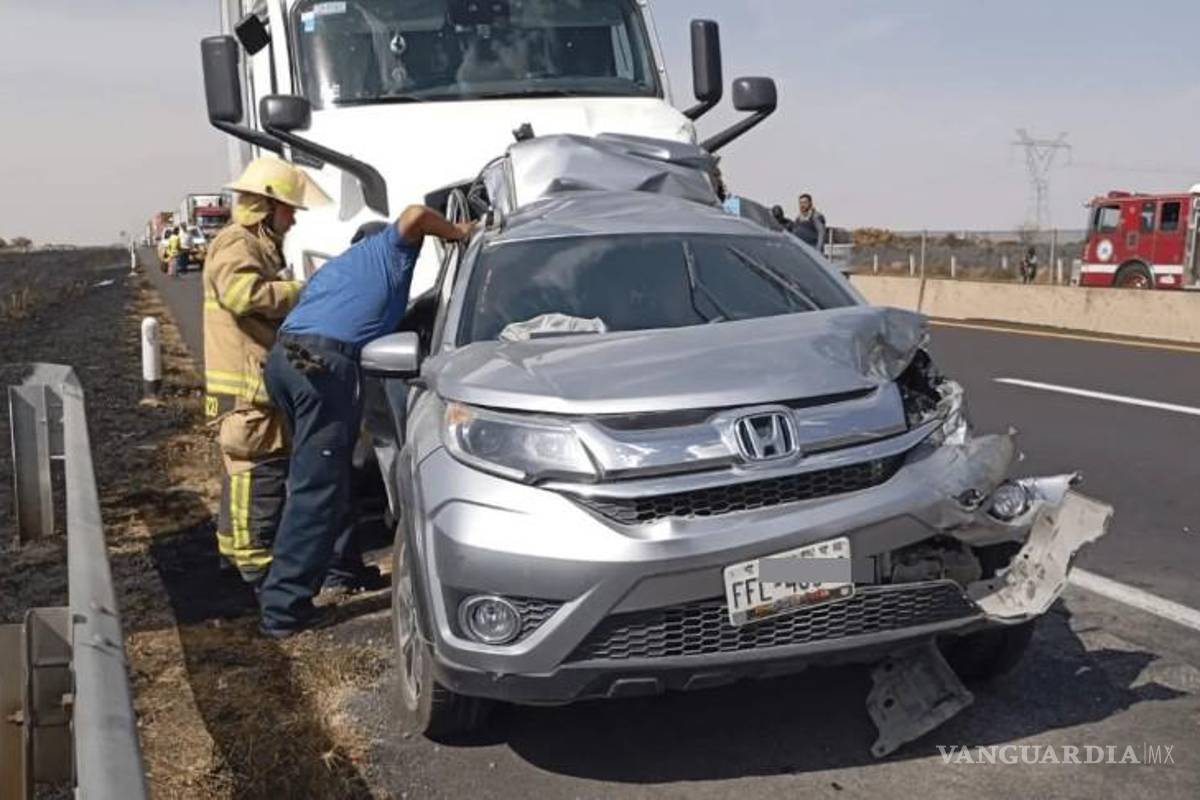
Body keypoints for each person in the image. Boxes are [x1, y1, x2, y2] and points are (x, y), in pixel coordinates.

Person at [259, 206, 472, 637]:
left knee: (327, 471)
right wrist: (457, 231)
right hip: (322, 368)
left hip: (286, 361)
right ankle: (283, 610)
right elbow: (414, 216)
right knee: (315, 487)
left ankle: (342, 570)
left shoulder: (340, 269)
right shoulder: (390, 250)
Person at [202, 157, 333, 596]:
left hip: (245, 388)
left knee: (243, 476)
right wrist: (301, 291)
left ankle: (232, 561)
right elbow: (242, 296)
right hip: (247, 391)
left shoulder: (252, 245)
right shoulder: (237, 245)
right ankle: (258, 577)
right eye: (288, 210)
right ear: (266, 206)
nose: (293, 219)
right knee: (260, 477)